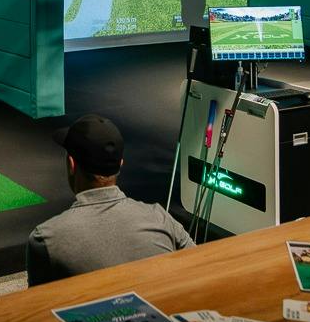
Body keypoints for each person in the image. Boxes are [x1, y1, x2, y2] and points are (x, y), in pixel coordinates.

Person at [26, 114, 192, 286]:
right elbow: (199, 263)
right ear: (120, 164)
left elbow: (39, 306)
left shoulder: (46, 238)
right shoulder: (160, 218)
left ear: (72, 164)